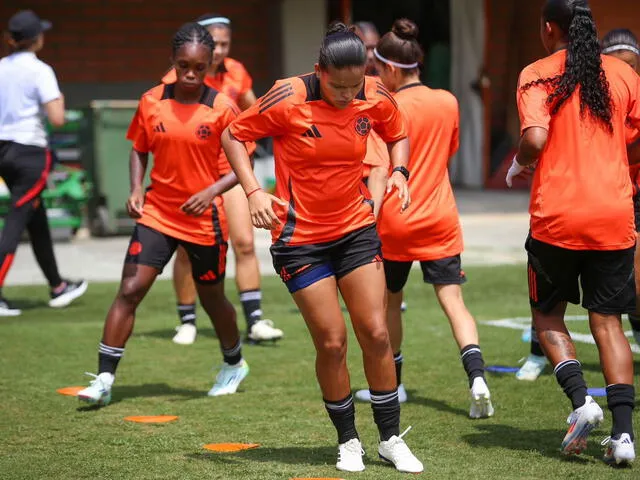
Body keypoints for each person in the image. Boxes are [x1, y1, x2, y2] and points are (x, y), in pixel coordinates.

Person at [221, 22, 423, 474]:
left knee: (376, 333)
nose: (348, 95)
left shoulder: (375, 94)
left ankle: (390, 438)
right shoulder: (287, 96)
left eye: (356, 86)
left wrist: (400, 171)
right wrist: (253, 190)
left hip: (355, 230)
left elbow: (399, 132)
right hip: (301, 241)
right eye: (338, 86)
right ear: (319, 71)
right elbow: (233, 135)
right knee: (332, 343)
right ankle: (348, 440)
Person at [77, 23, 249, 406]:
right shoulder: (151, 100)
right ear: (172, 61)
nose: (191, 74)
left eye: (199, 68)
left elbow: (242, 163)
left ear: (208, 66)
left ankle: (234, 362)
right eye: (184, 65)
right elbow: (139, 148)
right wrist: (136, 188)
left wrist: (210, 192)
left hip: (206, 220)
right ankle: (104, 378)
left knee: (212, 299)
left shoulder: (221, 107)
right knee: (131, 289)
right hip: (158, 212)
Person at [506, 0, 640, 464]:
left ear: (549, 29)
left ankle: (582, 403)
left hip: (557, 217)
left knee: (547, 316)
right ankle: (624, 437)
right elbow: (631, 135)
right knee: (610, 323)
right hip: (614, 214)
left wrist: (520, 163)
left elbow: (536, 138)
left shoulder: (537, 73)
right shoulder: (623, 74)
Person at [354, 19, 494, 419]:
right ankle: (477, 379)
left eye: (378, 69)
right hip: (440, 218)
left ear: (392, 69)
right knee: (454, 303)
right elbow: (447, 151)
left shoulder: (386, 107)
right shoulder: (448, 101)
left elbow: (379, 169)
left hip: (396, 220)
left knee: (390, 305)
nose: (377, 76)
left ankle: (393, 387)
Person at [163, 13, 283, 345]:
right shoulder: (180, 76)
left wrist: (254, 138)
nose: (219, 51)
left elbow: (256, 109)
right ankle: (187, 320)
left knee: (244, 242)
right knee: (187, 250)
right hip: (193, 174)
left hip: (230, 170)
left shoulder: (237, 72)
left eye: (225, 44)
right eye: (215, 44)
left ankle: (255, 320)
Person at [0, 10, 87, 316]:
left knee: (35, 220)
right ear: (36, 39)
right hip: (30, 154)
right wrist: (58, 99)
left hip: (3, 151)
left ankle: (57, 286)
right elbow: (58, 118)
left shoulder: (1, 68)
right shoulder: (40, 70)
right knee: (16, 220)